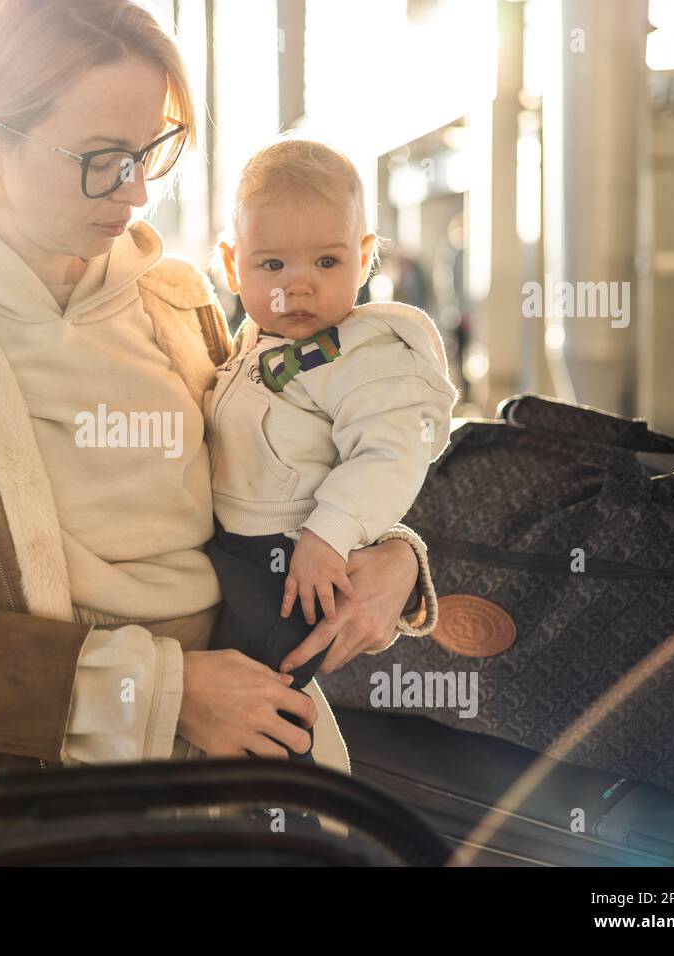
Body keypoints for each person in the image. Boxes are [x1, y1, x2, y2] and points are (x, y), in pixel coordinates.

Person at [0, 0, 438, 866]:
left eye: (149, 152)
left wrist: (392, 557)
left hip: (239, 780)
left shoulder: (176, 296)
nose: (135, 191)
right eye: (100, 160)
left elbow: (290, 461)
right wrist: (164, 695)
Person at [205, 137, 459, 766]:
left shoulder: (363, 355)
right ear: (233, 263)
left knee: (261, 695)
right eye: (272, 267)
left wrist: (331, 535)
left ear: (366, 257)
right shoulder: (250, 344)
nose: (299, 286)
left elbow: (390, 455)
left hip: (291, 559)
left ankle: (290, 806)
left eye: (326, 261)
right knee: (230, 683)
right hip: (236, 549)